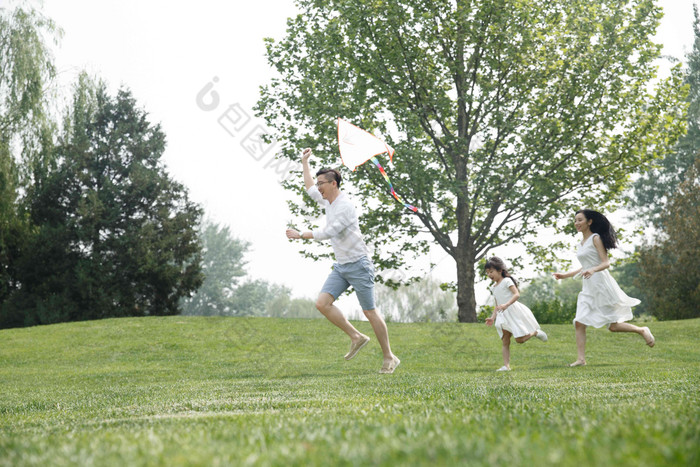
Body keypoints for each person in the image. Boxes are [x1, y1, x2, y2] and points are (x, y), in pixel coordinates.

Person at [285, 148, 400, 374]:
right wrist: (304, 162)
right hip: (341, 266)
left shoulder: (345, 206)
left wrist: (301, 234)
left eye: (322, 183)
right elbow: (309, 189)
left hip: (359, 264)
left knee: (370, 312)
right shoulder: (328, 202)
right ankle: (356, 336)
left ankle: (389, 357)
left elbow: (329, 232)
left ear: (333, 184)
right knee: (322, 304)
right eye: (318, 183)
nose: (318, 187)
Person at [553, 209, 655, 367]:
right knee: (579, 322)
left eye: (580, 220)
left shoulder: (596, 238)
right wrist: (564, 275)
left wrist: (593, 270)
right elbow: (585, 266)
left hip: (601, 284)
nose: (577, 223)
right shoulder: (582, 243)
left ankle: (642, 330)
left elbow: (605, 263)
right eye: (575, 220)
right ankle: (581, 359)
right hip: (588, 286)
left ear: (589, 222)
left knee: (613, 327)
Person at [484, 257, 548, 372]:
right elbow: (497, 304)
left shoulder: (507, 281)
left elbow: (516, 294)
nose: (489, 274)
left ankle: (535, 332)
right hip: (503, 315)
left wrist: (507, 305)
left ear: (499, 270)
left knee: (519, 340)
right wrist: (493, 318)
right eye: (487, 272)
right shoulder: (493, 288)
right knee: (505, 340)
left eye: (491, 271)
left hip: (513, 312)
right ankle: (506, 366)